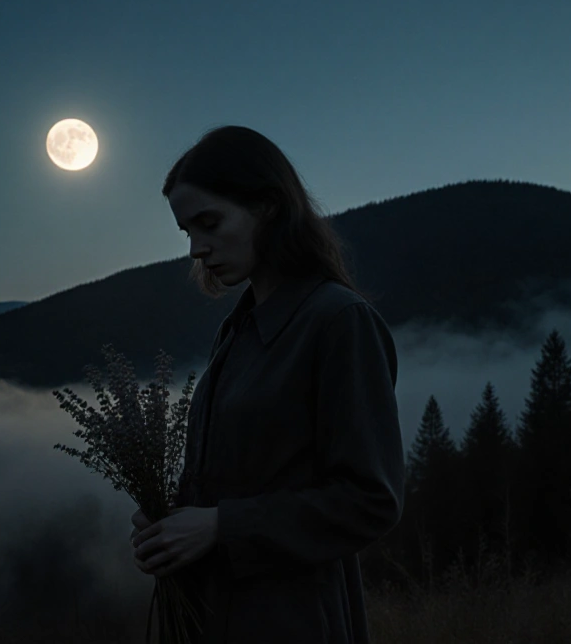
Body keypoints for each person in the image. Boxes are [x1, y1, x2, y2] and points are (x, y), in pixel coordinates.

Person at [130, 125, 405, 643]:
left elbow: (371, 500)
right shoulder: (236, 331)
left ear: (269, 207)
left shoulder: (339, 322)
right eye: (186, 231)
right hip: (211, 618)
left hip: (294, 622)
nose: (195, 249)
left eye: (209, 223)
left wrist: (218, 527)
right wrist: (170, 524)